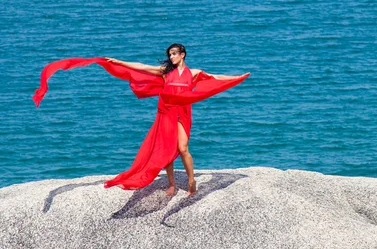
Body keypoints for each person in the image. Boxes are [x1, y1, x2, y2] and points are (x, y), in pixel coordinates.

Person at [33, 43, 249, 197]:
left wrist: (237, 77)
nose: (171, 57)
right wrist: (118, 61)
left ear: (182, 54)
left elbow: (215, 78)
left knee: (183, 148)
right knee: (166, 150)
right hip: (166, 110)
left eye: (174, 54)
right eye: (170, 54)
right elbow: (141, 66)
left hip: (183, 111)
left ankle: (192, 180)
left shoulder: (194, 72)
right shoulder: (165, 71)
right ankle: (172, 184)